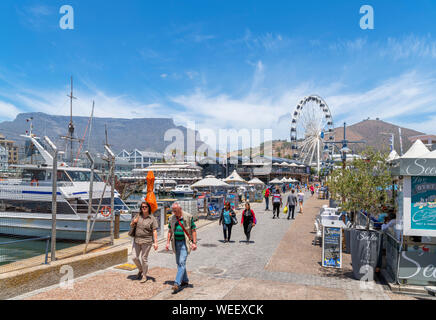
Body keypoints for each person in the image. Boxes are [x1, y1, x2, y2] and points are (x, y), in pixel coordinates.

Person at [165, 202, 197, 294]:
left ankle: (177, 283)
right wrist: (167, 243)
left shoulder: (188, 217)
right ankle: (185, 280)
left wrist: (194, 243)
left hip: (185, 243)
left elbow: (193, 230)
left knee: (182, 262)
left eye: (175, 210)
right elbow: (170, 231)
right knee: (179, 263)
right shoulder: (172, 218)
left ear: (180, 209)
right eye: (173, 210)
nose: (174, 212)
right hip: (175, 243)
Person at [130, 201, 159, 281]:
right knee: (134, 257)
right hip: (137, 240)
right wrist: (134, 222)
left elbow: (154, 231)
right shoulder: (138, 215)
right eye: (142, 207)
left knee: (144, 258)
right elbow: (131, 224)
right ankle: (141, 270)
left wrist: (156, 242)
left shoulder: (152, 218)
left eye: (145, 207)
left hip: (147, 241)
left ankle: (144, 275)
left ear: (148, 208)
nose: (143, 208)